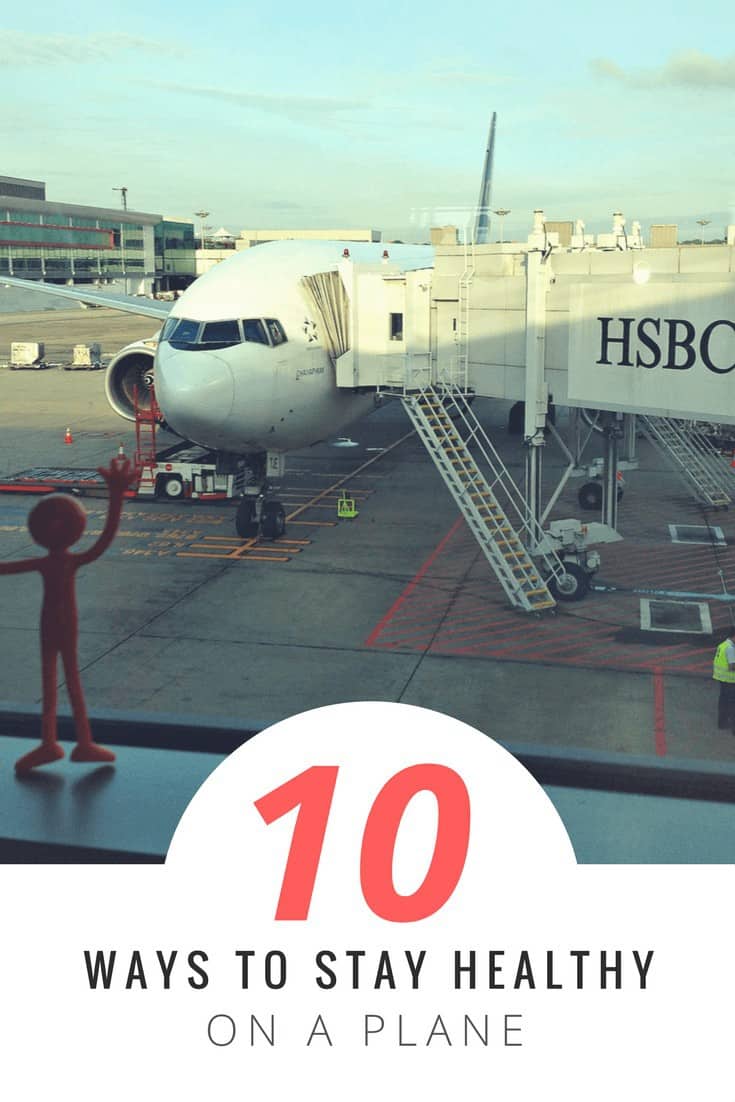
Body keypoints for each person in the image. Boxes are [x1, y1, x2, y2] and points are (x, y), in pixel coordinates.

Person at [0, 454, 136, 773]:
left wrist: (116, 496)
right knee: (69, 680)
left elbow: (5, 568)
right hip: (64, 625)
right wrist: (115, 495)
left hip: (49, 625)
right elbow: (101, 543)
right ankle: (80, 743)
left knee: (52, 681)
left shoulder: (48, 563)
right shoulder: (69, 562)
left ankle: (52, 743)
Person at [713, 627, 735, 733]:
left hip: (722, 678)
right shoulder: (731, 648)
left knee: (723, 701)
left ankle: (722, 722)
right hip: (730, 680)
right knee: (732, 704)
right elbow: (732, 666)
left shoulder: (722, 645)